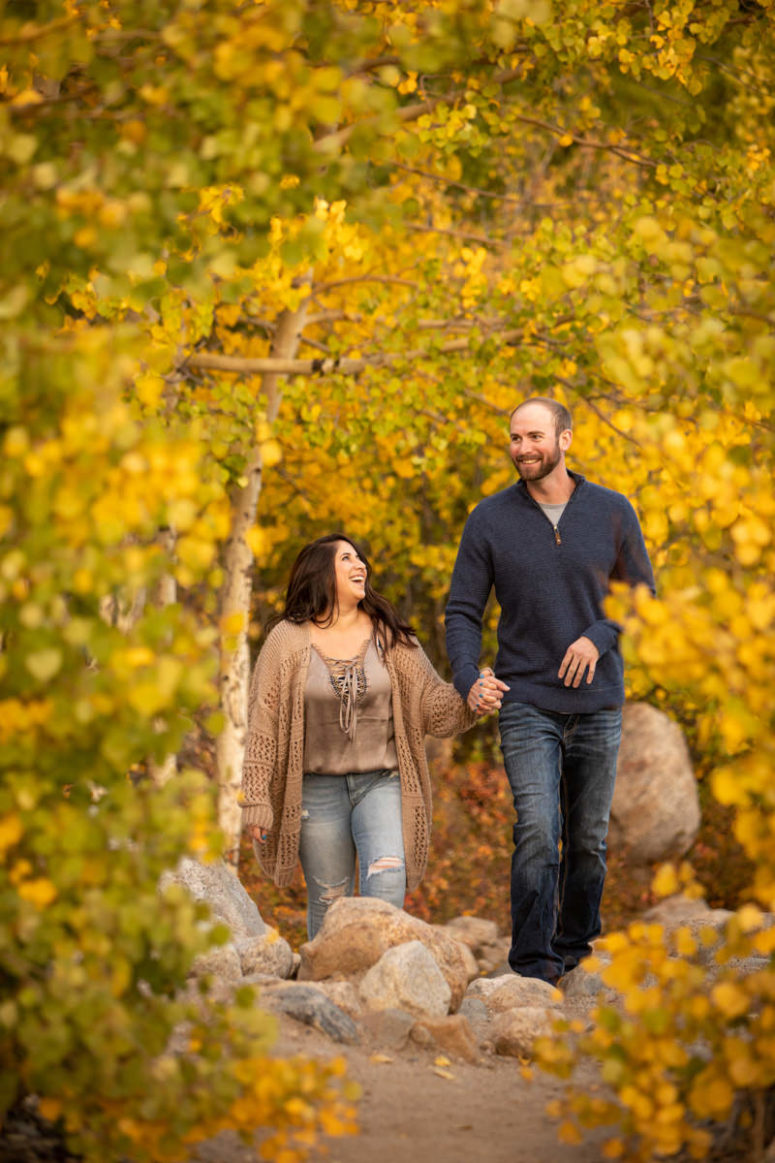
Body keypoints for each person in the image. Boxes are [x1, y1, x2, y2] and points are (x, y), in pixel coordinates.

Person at [445, 397, 655, 984]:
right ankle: (533, 969)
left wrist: (600, 636)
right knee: (538, 828)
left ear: (565, 439)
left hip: (598, 704)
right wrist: (469, 678)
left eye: (534, 436)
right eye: (514, 438)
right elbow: (462, 611)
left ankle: (573, 952)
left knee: (588, 841)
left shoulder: (613, 511)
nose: (522, 448)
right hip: (526, 699)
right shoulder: (489, 518)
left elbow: (642, 599)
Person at [241, 533, 483, 939]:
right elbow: (262, 724)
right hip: (315, 791)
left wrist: (471, 695)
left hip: (382, 783)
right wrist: (256, 798)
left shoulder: (390, 636)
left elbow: (432, 707)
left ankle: (379, 987)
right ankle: (328, 991)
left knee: (387, 884)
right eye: (347, 559)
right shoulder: (286, 640)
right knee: (328, 902)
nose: (361, 566)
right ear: (321, 573)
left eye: (361, 559)